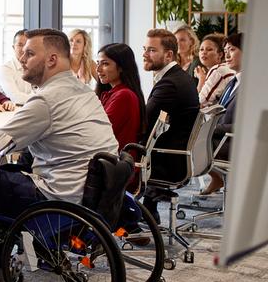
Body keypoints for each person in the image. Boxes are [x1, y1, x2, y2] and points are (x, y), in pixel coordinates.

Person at [0, 29, 118, 282]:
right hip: (88, 190)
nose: (21, 60)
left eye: (29, 53)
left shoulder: (47, 100)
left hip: (59, 195)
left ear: (51, 60)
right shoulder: (82, 90)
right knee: (5, 173)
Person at [141, 29, 200, 221]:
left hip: (168, 162)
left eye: (151, 50)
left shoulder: (170, 84)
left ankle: (122, 219)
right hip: (176, 155)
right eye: (145, 49)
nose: (144, 54)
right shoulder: (180, 77)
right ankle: (149, 209)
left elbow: (145, 122)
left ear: (168, 55)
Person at [203, 32, 244, 195]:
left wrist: (211, 128)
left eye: (232, 49)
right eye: (225, 50)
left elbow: (244, 125)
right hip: (219, 139)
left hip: (231, 143)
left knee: (181, 140)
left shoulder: (251, 84)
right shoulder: (233, 81)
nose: (226, 54)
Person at [95, 43, 147, 151]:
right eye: (98, 63)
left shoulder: (124, 96)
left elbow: (99, 133)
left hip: (114, 163)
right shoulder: (112, 93)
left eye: (105, 64)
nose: (98, 69)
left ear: (121, 67)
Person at [195, 33, 235, 108]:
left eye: (209, 49)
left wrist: (201, 79)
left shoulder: (218, 70)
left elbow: (198, 103)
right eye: (201, 49)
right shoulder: (225, 68)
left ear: (220, 54)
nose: (204, 52)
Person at [0, 29, 33, 105]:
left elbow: (42, 92)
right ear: (13, 47)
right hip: (6, 113)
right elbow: (16, 98)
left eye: (27, 45)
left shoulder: (33, 67)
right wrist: (39, 98)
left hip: (28, 108)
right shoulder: (5, 69)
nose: (24, 48)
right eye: (20, 45)